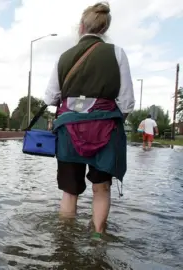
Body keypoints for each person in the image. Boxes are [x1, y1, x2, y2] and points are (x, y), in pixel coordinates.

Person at [43, 2, 135, 239]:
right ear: (104, 28)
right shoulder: (117, 53)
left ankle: (65, 242)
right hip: (106, 130)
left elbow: (50, 96)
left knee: (69, 191)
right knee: (101, 188)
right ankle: (97, 238)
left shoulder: (64, 57)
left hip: (68, 131)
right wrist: (108, 118)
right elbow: (127, 102)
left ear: (82, 26)